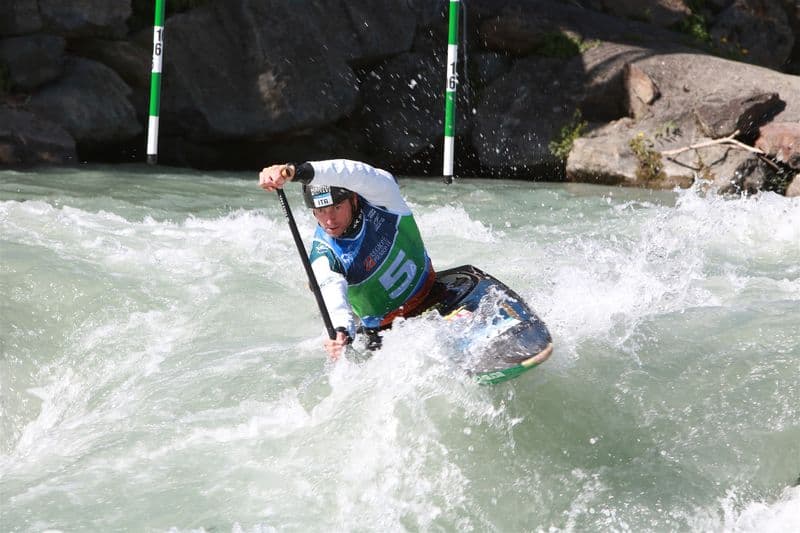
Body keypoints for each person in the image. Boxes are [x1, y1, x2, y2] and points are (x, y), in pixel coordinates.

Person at [258, 159, 436, 360]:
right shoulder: (324, 256)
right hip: (386, 330)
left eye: (336, 207)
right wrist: (340, 331)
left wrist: (295, 171)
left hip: (432, 290)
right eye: (321, 211)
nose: (330, 220)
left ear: (353, 200)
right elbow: (332, 295)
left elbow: (355, 173)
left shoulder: (383, 197)